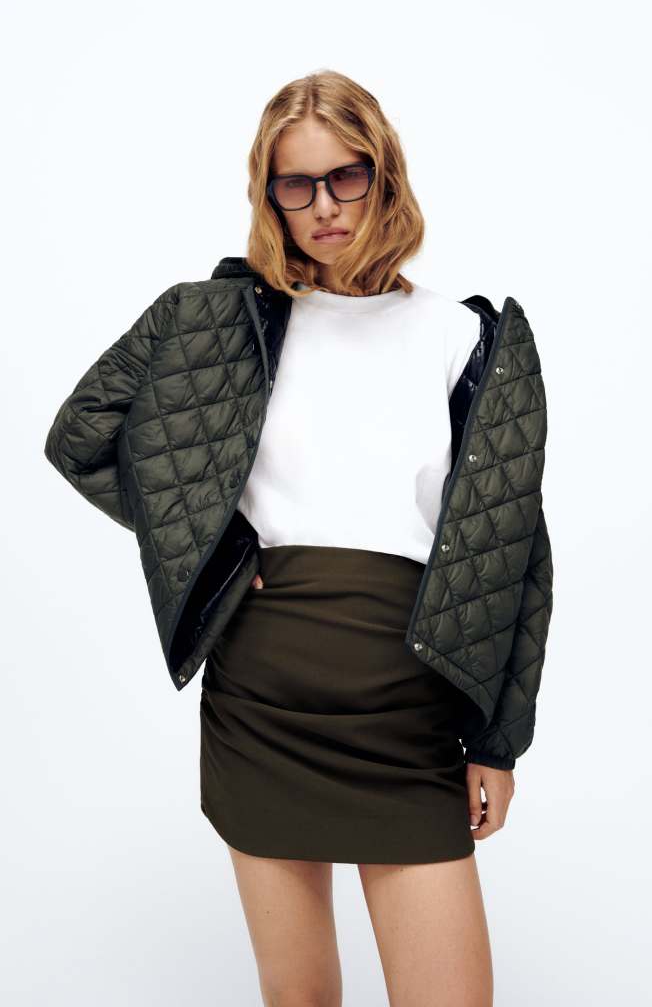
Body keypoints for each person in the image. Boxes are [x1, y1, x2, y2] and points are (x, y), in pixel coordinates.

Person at [44, 69, 553, 1007]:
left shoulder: (463, 336)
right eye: (296, 184)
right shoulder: (207, 321)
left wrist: (497, 742)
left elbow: (515, 554)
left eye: (344, 177)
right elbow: (80, 440)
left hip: (406, 707)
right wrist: (214, 549)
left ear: (384, 175)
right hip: (260, 701)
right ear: (268, 193)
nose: (323, 206)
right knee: (300, 999)